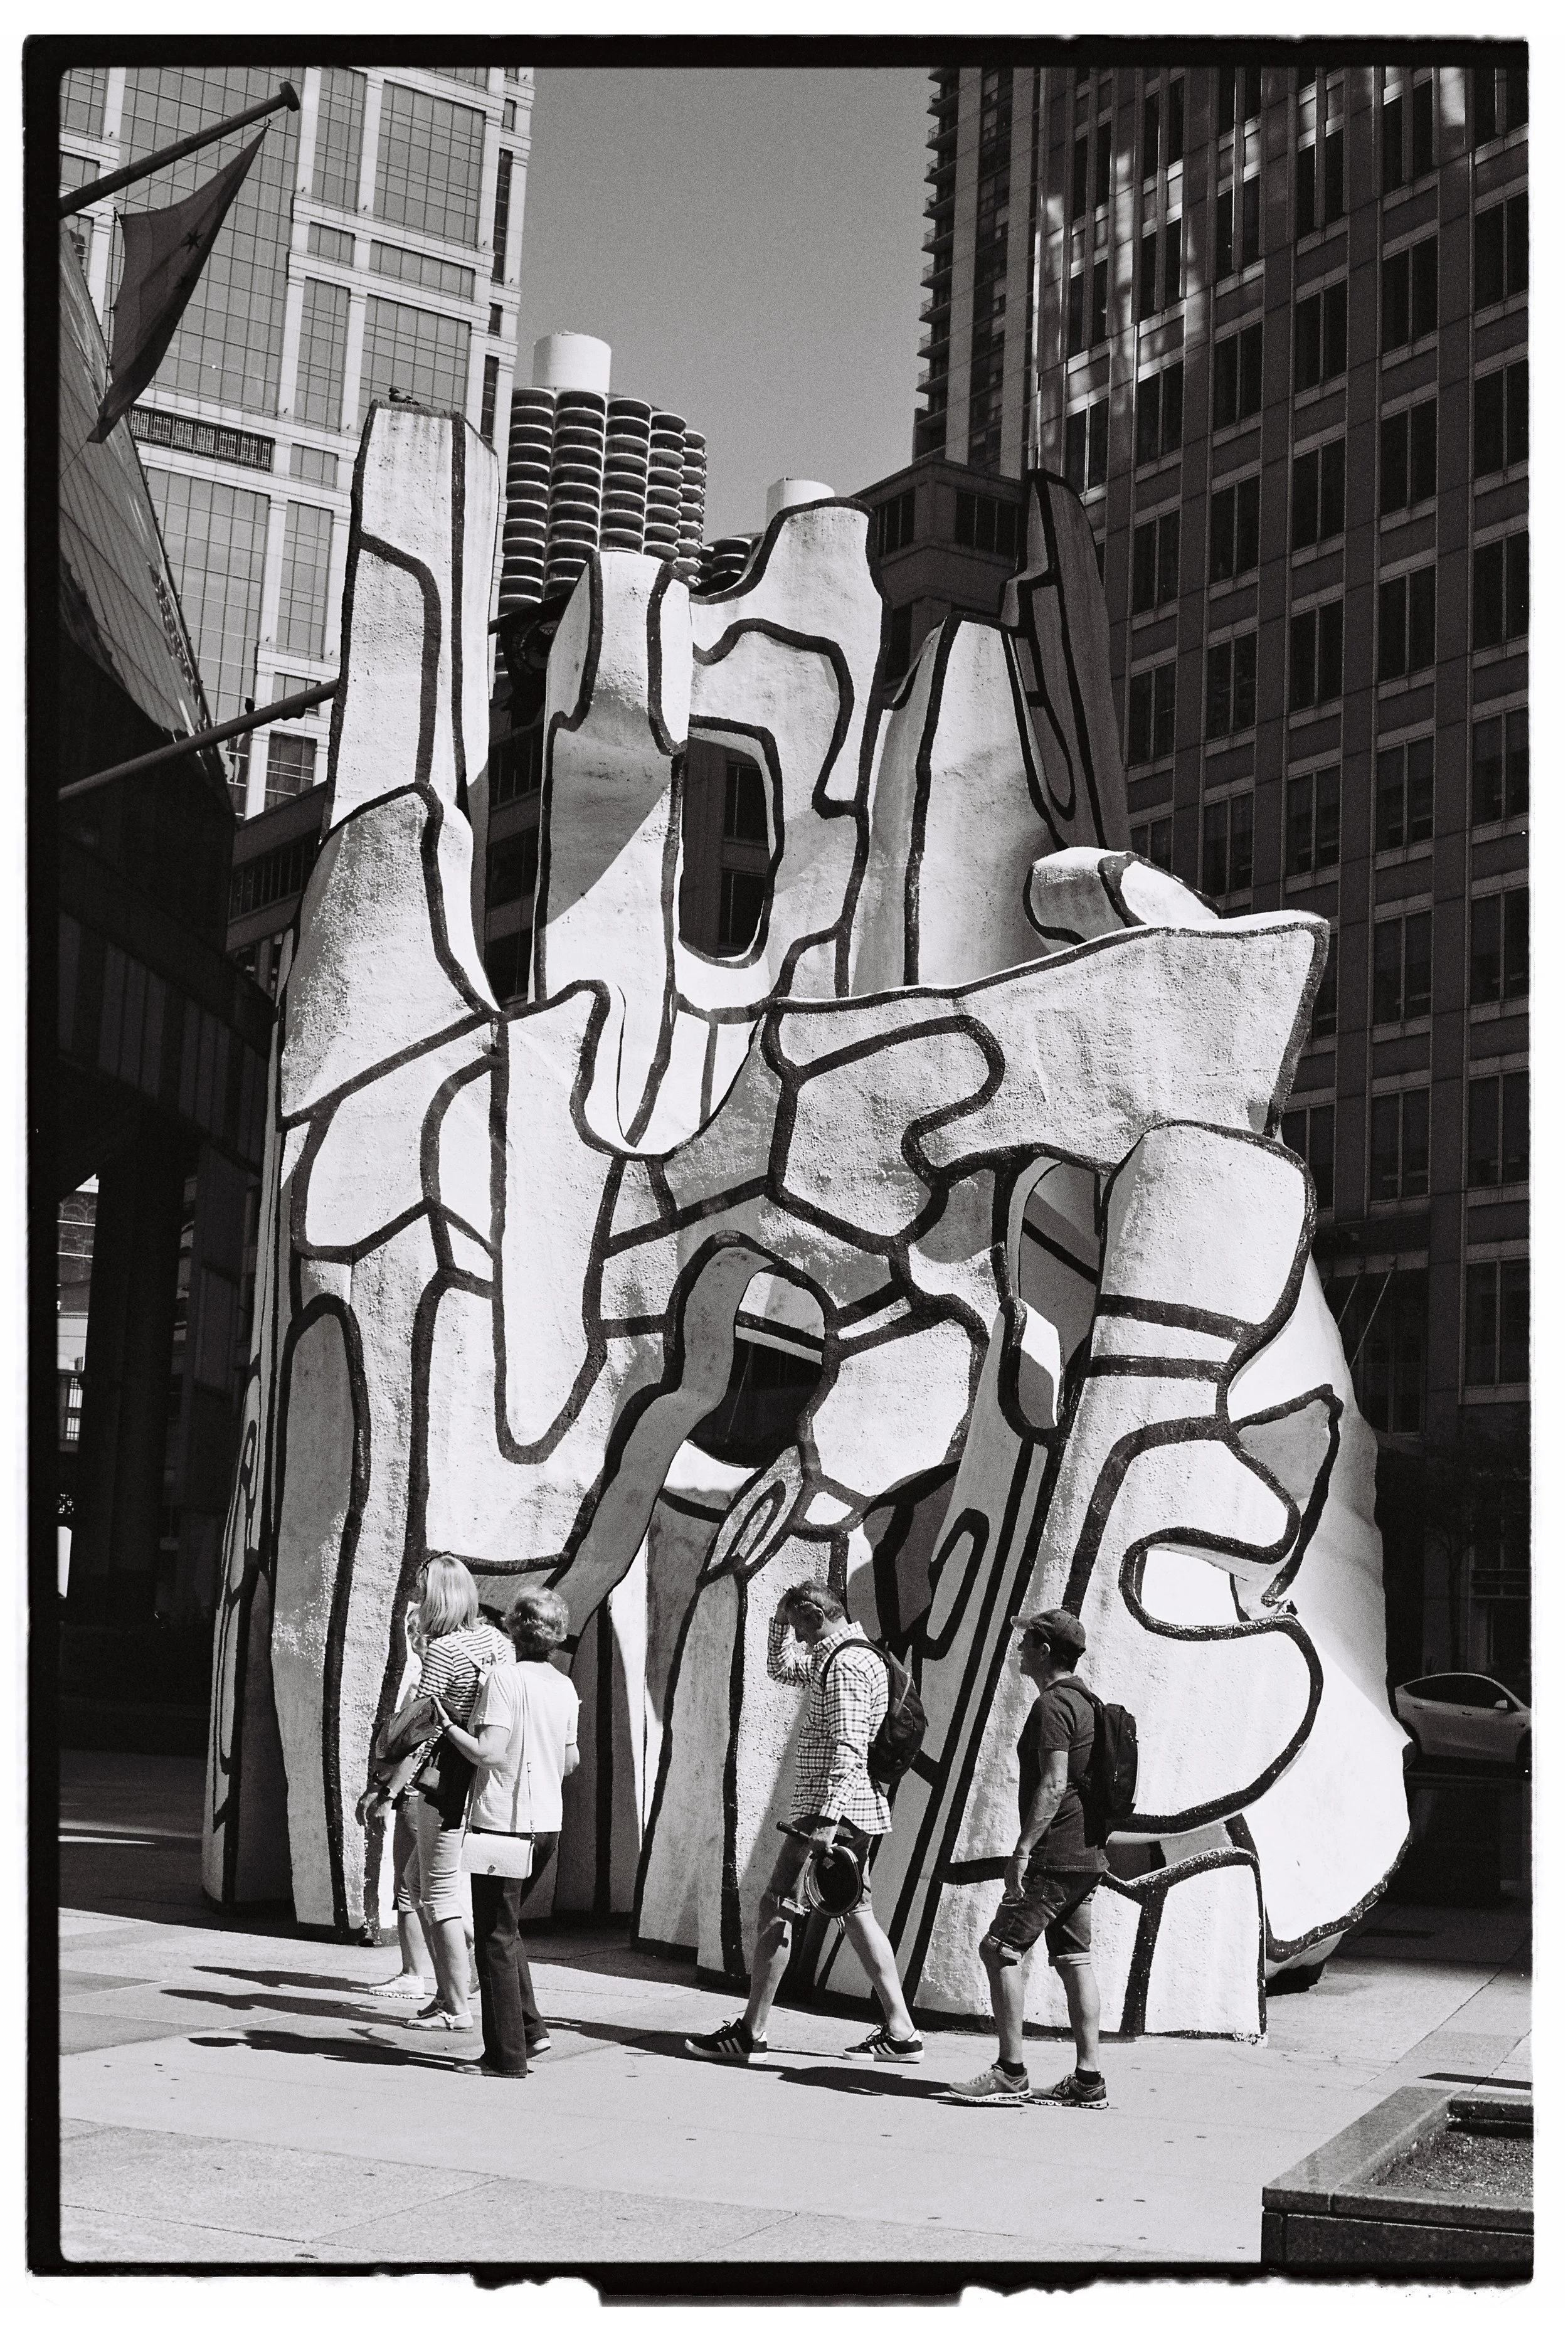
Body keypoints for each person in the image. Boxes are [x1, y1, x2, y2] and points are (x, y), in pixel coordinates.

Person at [684, 1581, 923, 2067]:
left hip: (829, 1811)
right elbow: (779, 1667)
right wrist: (778, 1620)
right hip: (848, 1809)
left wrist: (826, 1823)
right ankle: (901, 2031)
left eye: (798, 1625)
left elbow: (850, 1750)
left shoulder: (847, 1665)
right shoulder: (838, 1655)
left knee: (778, 1905)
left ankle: (752, 2030)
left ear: (816, 1614)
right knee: (856, 1912)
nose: (797, 1636)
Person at [940, 1607, 1108, 2107]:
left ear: (1045, 1650)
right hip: (1085, 1856)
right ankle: (1088, 2079)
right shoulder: (1089, 1702)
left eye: (1027, 1641)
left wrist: (1023, 1850)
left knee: (999, 1949)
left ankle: (1010, 2071)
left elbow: (1054, 1782)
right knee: (1075, 1960)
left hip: (1053, 1856)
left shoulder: (1052, 1705)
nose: (1020, 1649)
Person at [432, 1586, 580, 2079]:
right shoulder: (564, 1685)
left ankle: (504, 2056)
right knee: (508, 1928)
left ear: (514, 1627)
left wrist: (446, 1724)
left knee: (494, 1937)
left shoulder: (504, 1678)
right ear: (556, 1634)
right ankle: (531, 2029)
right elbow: (571, 1759)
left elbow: (489, 1752)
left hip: (502, 1823)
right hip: (547, 1825)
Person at [403, 1554, 513, 2033]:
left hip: (446, 1777)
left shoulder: (444, 1650)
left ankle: (456, 2004)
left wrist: (388, 1781)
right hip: (483, 1778)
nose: (417, 1599)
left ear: (437, 1598)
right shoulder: (499, 1642)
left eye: (422, 1591)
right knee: (417, 1880)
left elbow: (418, 1723)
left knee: (439, 1895)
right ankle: (451, 1984)